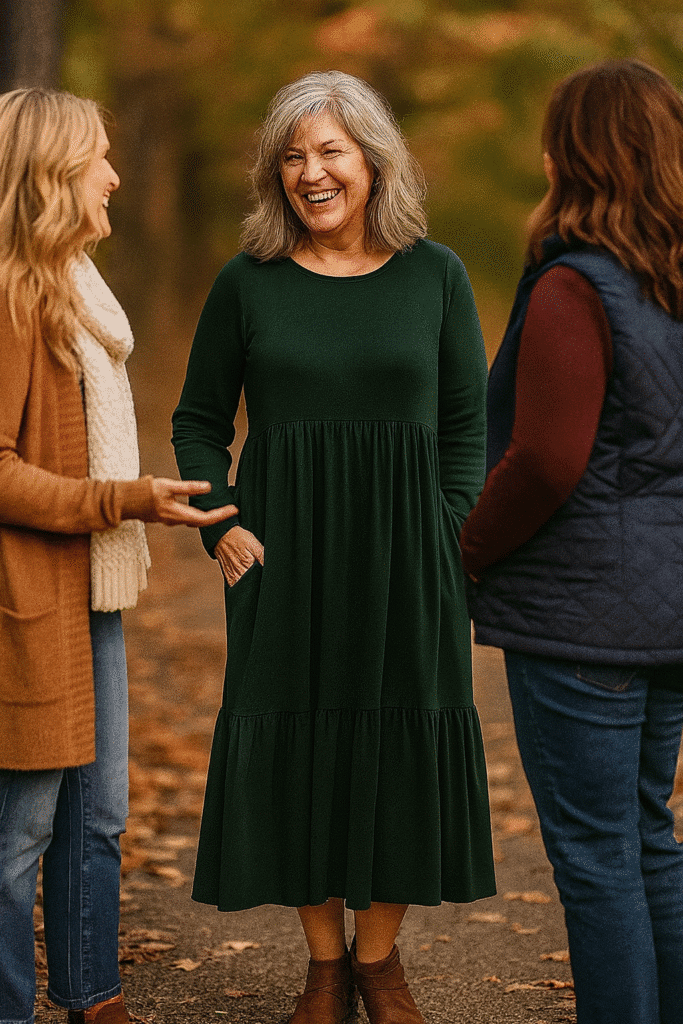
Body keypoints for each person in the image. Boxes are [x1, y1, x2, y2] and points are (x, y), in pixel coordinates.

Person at [172, 70, 495, 1024]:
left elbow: (468, 426)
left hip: (410, 555)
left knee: (402, 739)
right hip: (283, 556)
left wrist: (445, 530)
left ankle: (379, 961)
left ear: (372, 161)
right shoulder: (247, 282)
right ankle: (322, 966)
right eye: (292, 156)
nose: (310, 173)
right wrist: (222, 524)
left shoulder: (436, 273)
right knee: (298, 743)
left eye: (329, 152)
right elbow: (198, 422)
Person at [0, 88, 236, 1024]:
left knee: (97, 817)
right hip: (27, 599)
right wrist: (123, 500)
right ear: (55, 175)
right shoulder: (13, 296)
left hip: (89, 588)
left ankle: (93, 995)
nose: (116, 174)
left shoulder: (80, 287)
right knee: (18, 834)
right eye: (99, 157)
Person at [460, 59, 683, 1024]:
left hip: (581, 619)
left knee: (598, 865)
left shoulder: (572, 287)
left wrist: (462, 547)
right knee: (649, 843)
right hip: (667, 609)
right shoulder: (669, 283)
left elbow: (547, 460)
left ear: (574, 154)